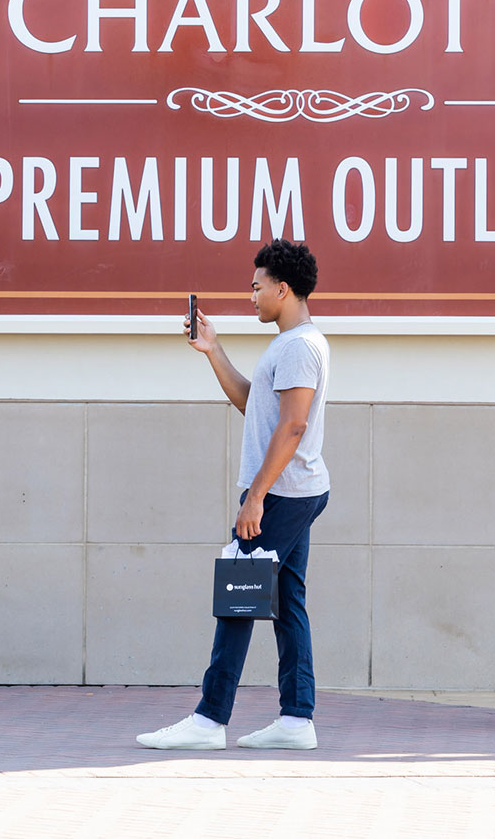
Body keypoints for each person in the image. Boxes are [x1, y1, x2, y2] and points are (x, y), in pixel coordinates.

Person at [138, 240, 331, 752]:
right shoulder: (291, 344)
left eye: (256, 286)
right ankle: (297, 719)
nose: (251, 296)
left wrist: (256, 498)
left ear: (282, 288)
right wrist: (214, 351)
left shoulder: (298, 346)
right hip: (294, 491)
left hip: (283, 494)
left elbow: (292, 426)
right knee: (287, 602)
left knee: (236, 600)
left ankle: (209, 719)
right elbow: (257, 405)